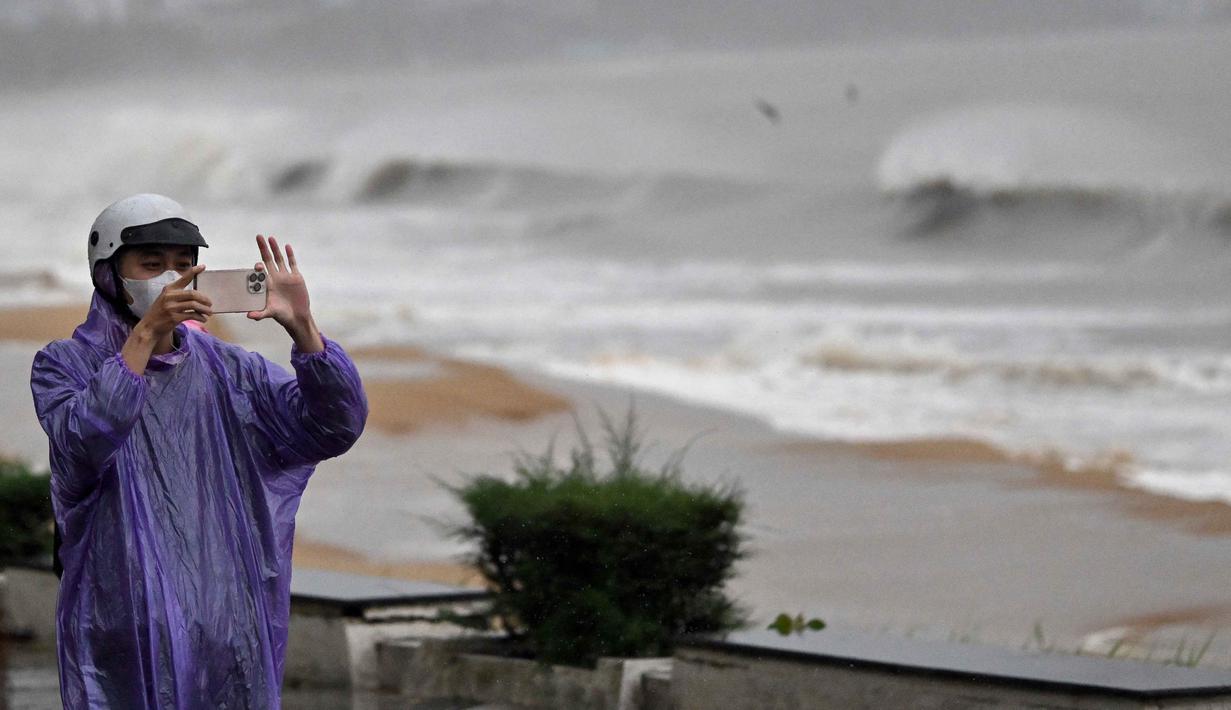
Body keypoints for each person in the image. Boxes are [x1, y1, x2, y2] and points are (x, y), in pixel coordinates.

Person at [29, 194, 369, 708]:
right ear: (108, 274)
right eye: (152, 264)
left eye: (185, 265)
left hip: (230, 629)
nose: (172, 278)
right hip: (129, 630)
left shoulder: (232, 370)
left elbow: (333, 426)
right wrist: (147, 336)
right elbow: (84, 442)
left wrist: (304, 329)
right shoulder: (64, 365)